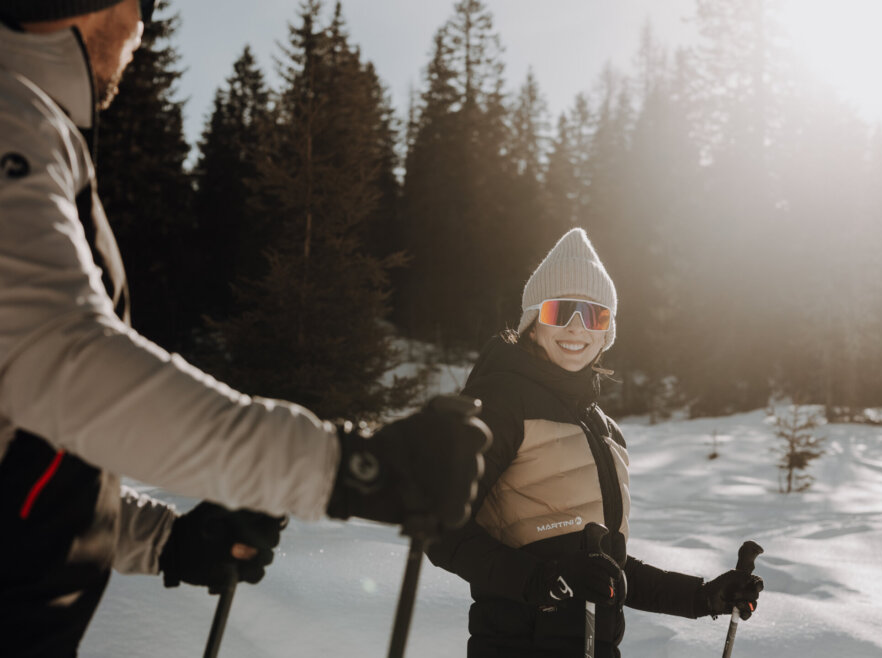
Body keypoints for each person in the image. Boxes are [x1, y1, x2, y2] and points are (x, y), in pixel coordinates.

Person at [0, 1, 489, 654]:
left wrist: (167, 542)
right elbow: (63, 365)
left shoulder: (33, 126)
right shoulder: (12, 118)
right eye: (142, 6)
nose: (144, 29)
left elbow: (30, 451)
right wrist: (349, 468)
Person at [427, 228, 765, 657]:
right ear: (532, 324)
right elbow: (439, 529)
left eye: (595, 316)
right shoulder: (499, 401)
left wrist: (702, 597)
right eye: (560, 311)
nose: (576, 328)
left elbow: (608, 570)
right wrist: (544, 582)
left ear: (607, 333)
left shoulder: (603, 429)